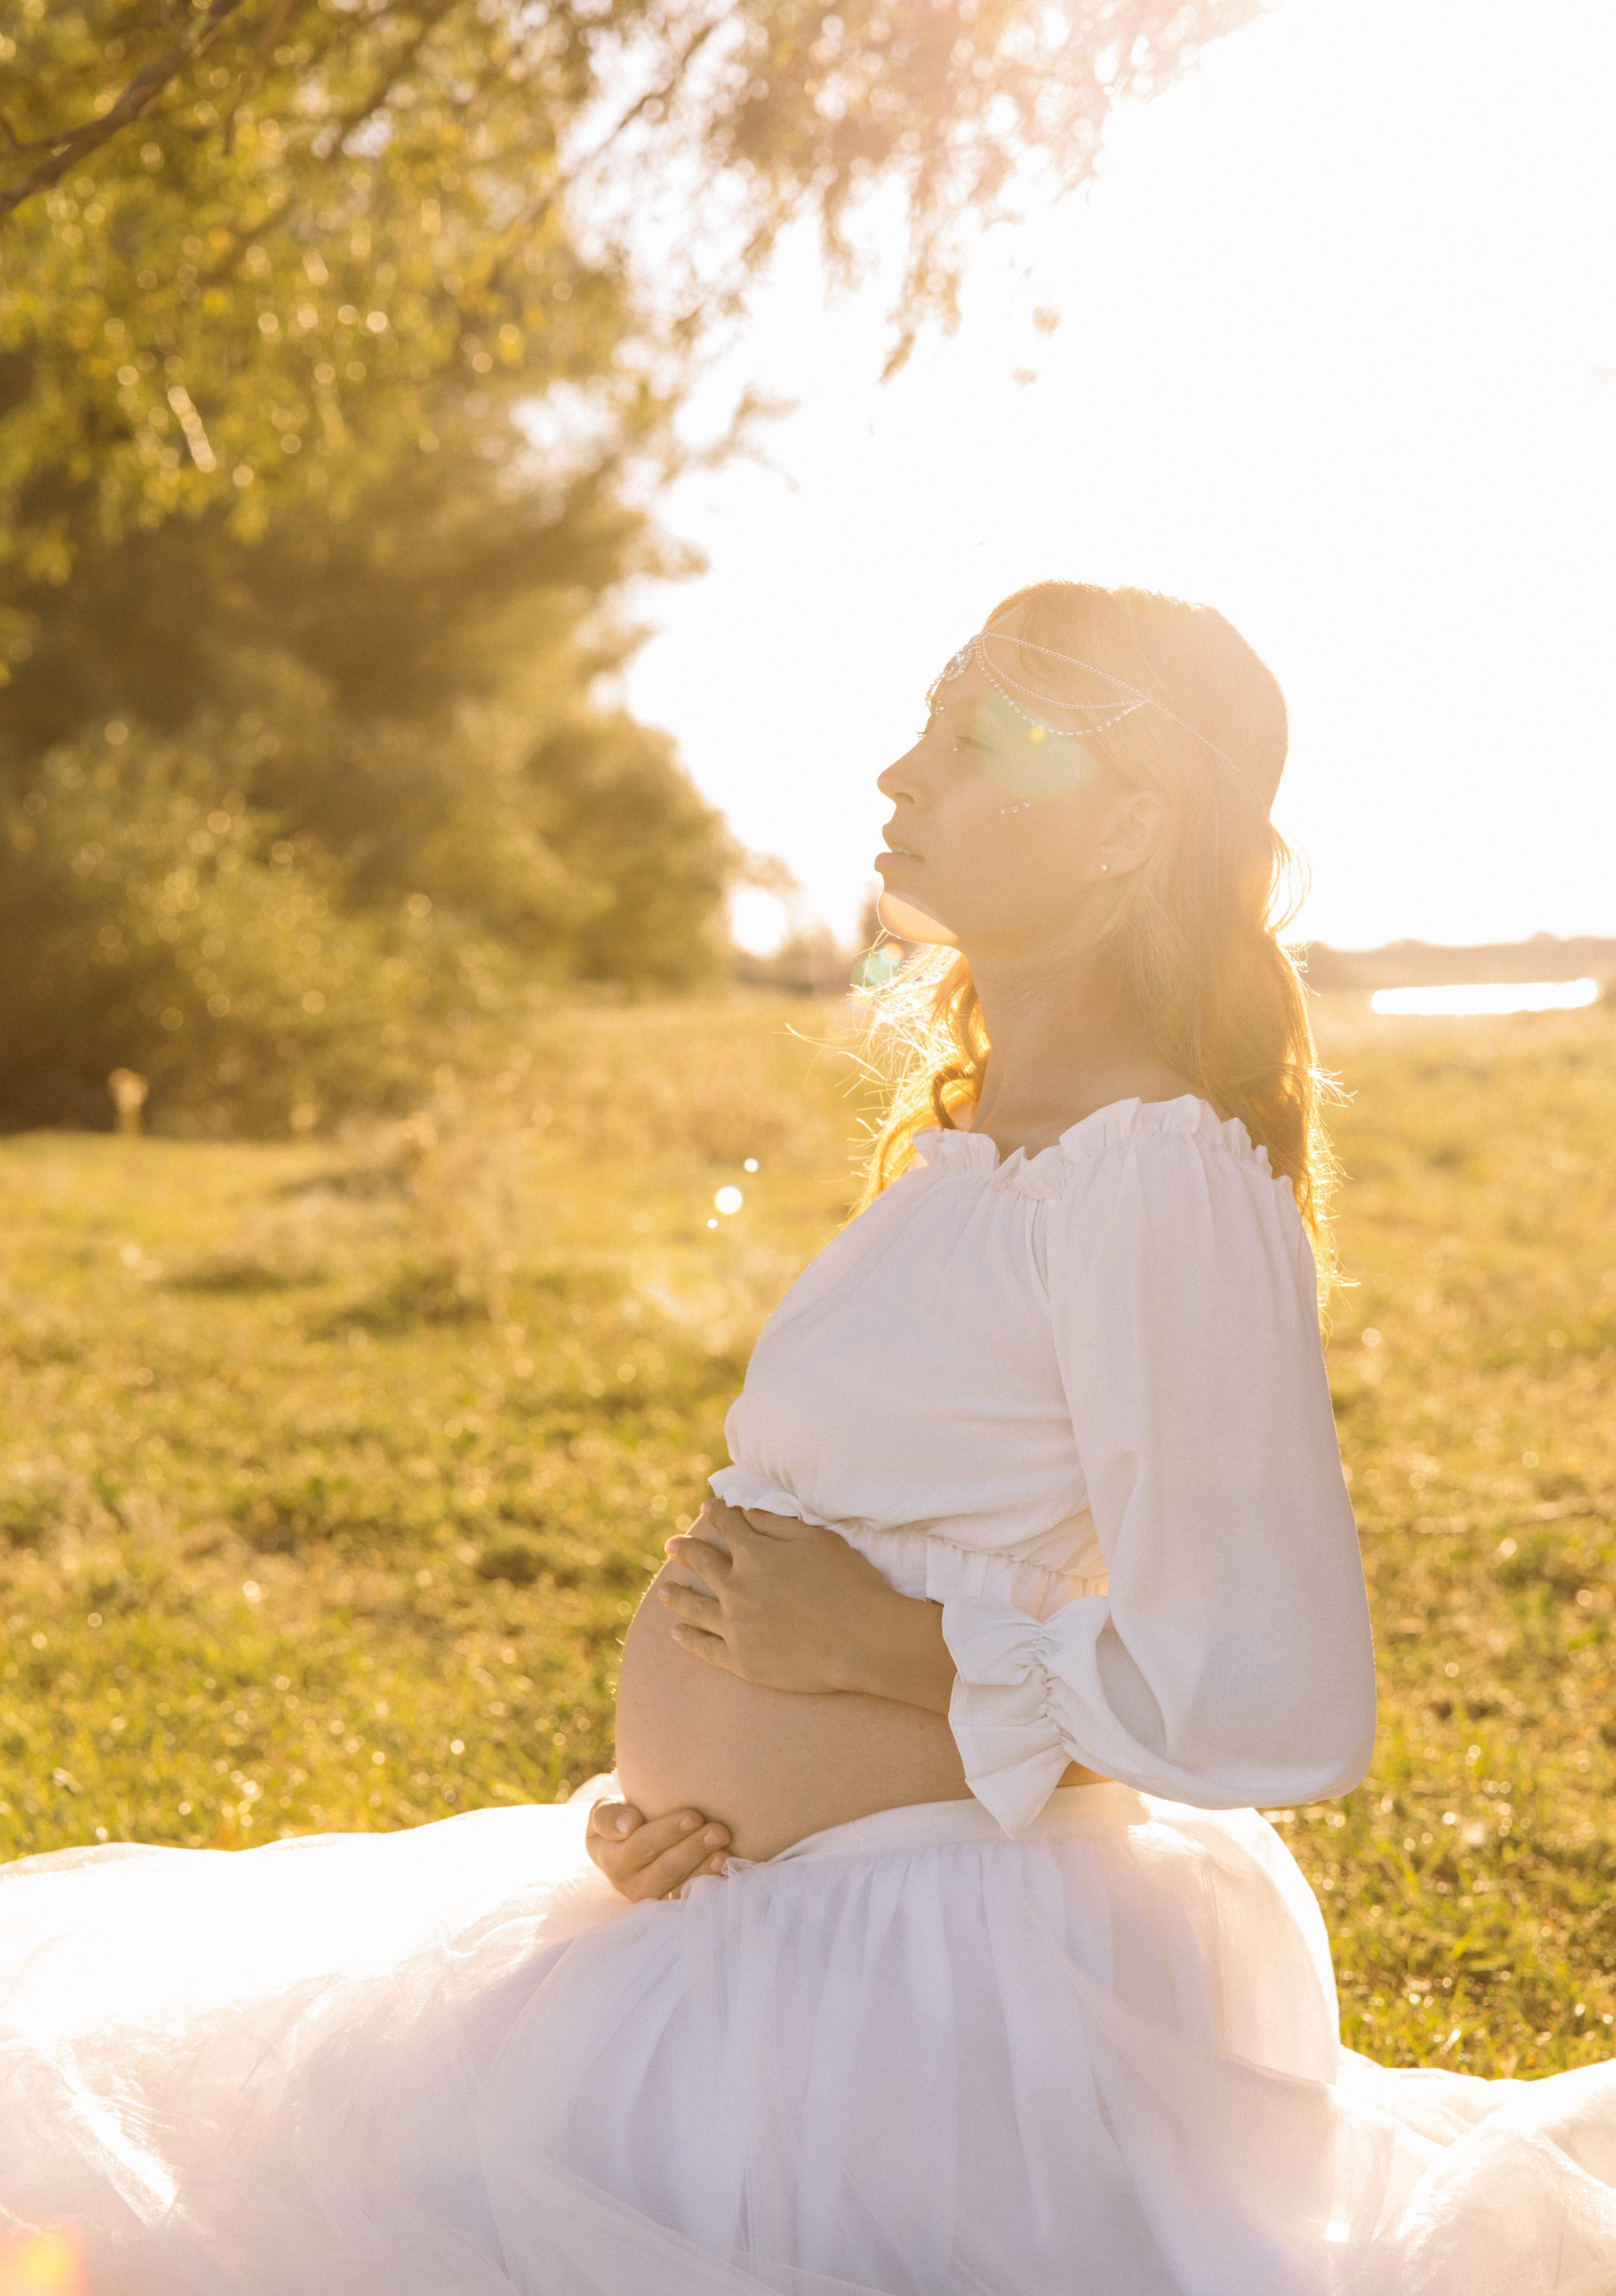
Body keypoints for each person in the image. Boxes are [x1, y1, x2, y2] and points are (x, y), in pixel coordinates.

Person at [3, 581, 1614, 2295]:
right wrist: (675, 1803)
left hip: (932, 1989)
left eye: (974, 735)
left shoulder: (1155, 1172)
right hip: (759, 1916)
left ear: (1128, 824)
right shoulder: (978, 1152)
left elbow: (1267, 1693)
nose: (895, 772)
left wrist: (891, 1647)